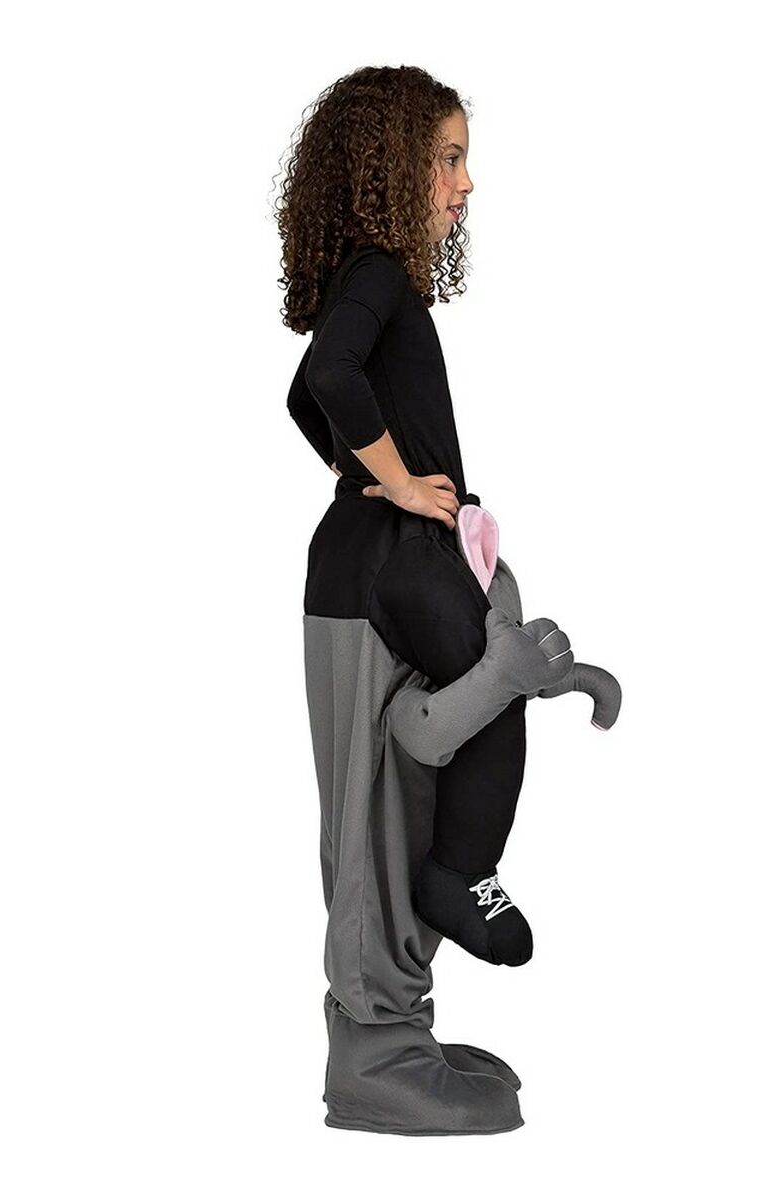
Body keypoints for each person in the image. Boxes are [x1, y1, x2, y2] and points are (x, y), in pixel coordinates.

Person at [279, 67, 535, 968]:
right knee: (501, 681)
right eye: (449, 159)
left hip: (387, 551)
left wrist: (360, 469)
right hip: (391, 556)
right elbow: (326, 379)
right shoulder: (379, 276)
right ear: (393, 166)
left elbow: (304, 399)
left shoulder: (380, 284)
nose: (466, 183)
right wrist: (394, 483)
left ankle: (441, 901)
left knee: (484, 693)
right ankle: (459, 874)